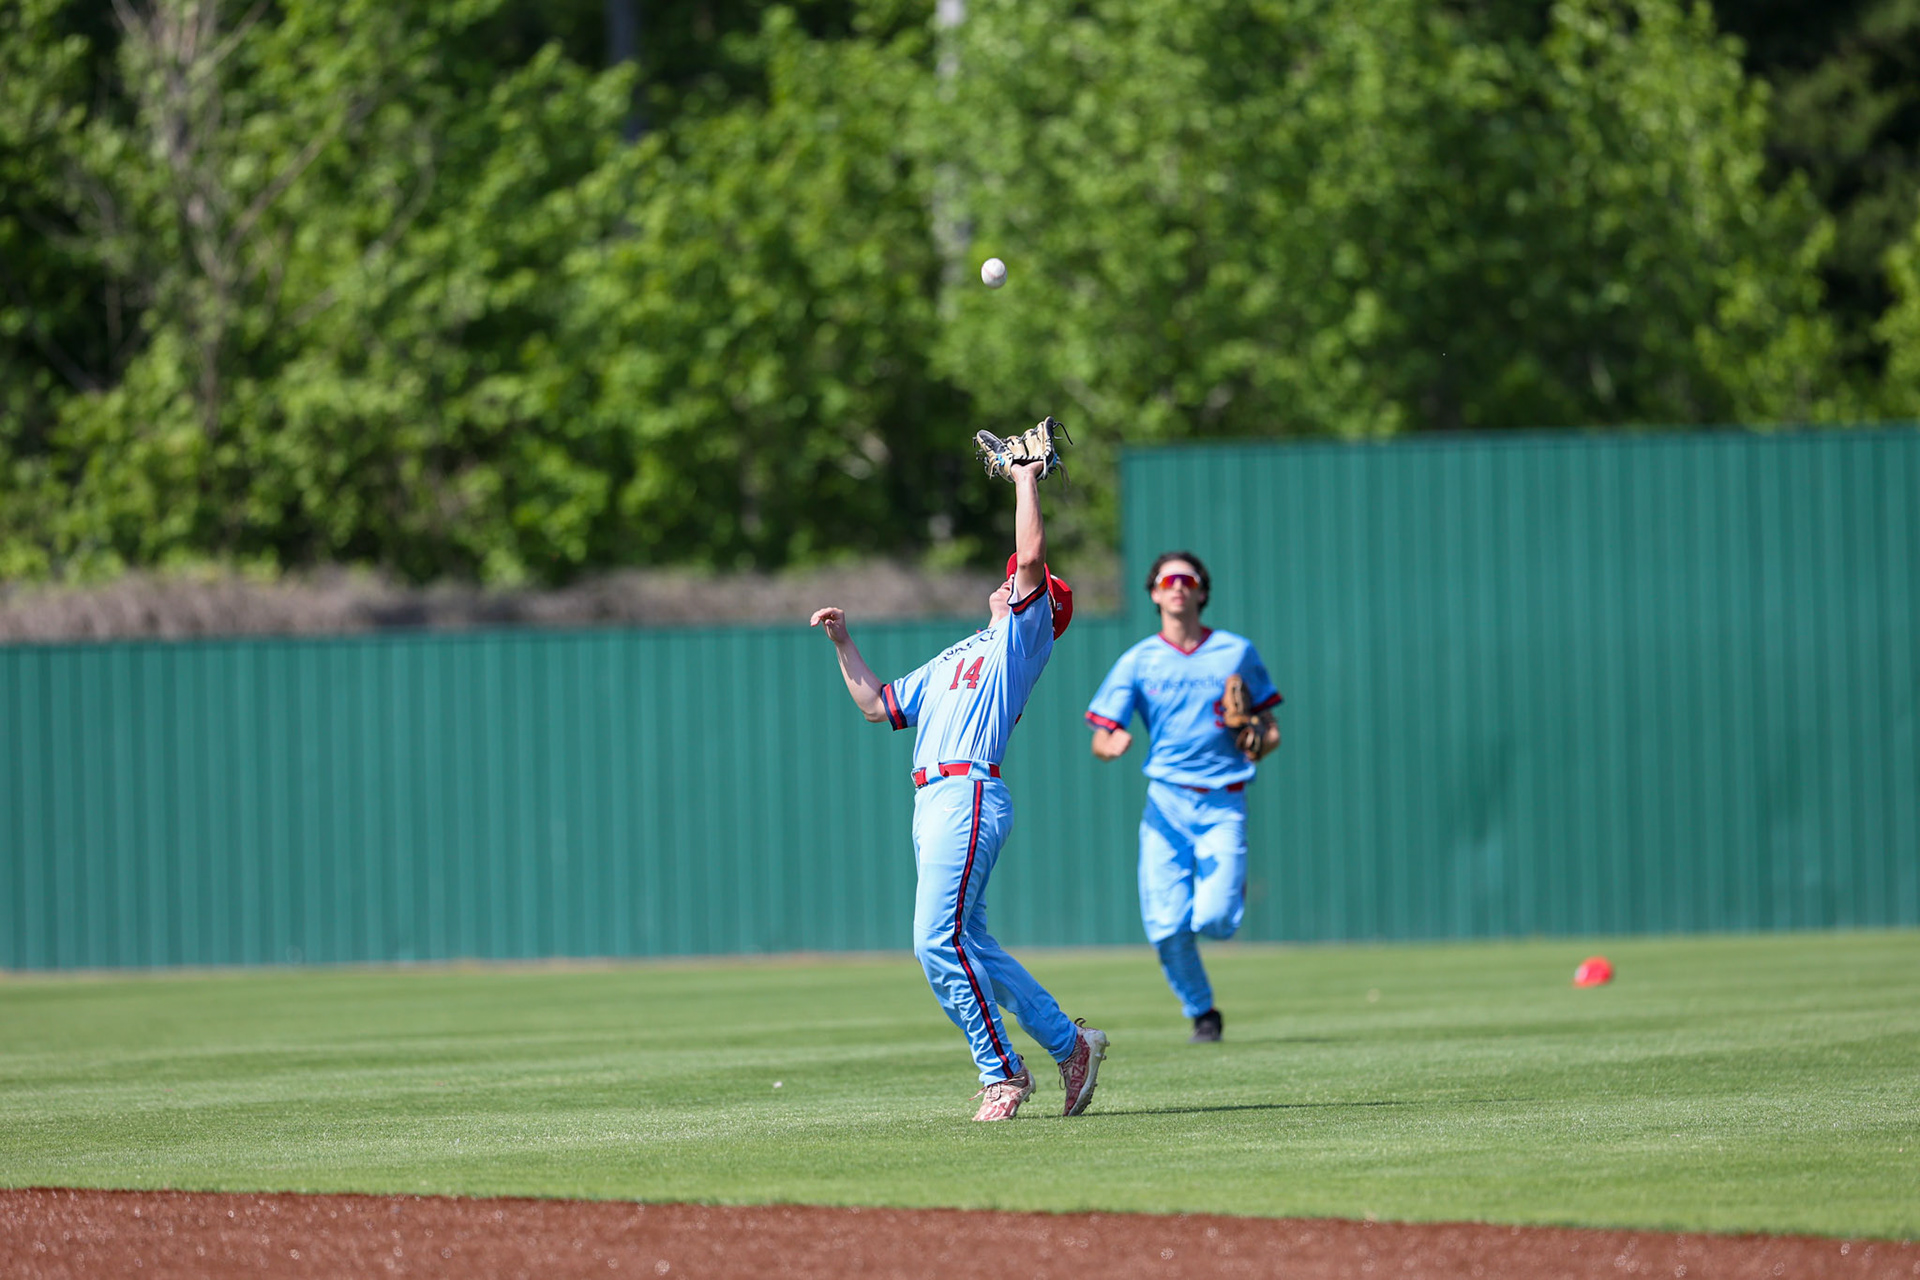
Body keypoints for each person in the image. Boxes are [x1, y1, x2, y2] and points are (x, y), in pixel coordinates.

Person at [810, 455, 1108, 1122]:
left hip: (968, 792)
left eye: (1021, 583)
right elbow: (878, 706)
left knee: (933, 943)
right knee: (967, 944)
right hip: (932, 800)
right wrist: (843, 642)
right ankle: (1071, 1045)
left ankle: (1001, 1073)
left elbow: (1030, 557)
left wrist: (1024, 478)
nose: (1007, 584)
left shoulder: (1022, 639)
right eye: (1009, 582)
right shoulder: (960, 653)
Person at [1085, 551, 1281, 1043]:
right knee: (1167, 927)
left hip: (1222, 799)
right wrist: (1113, 743)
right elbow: (1101, 735)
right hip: (1167, 802)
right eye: (1166, 580)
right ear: (1154, 593)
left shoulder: (1235, 651)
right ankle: (1203, 1013)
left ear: (1201, 592)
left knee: (1214, 920)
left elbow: (1271, 730)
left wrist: (1259, 736)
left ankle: (1210, 913)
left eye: (1185, 580)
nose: (1176, 587)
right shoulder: (1139, 659)